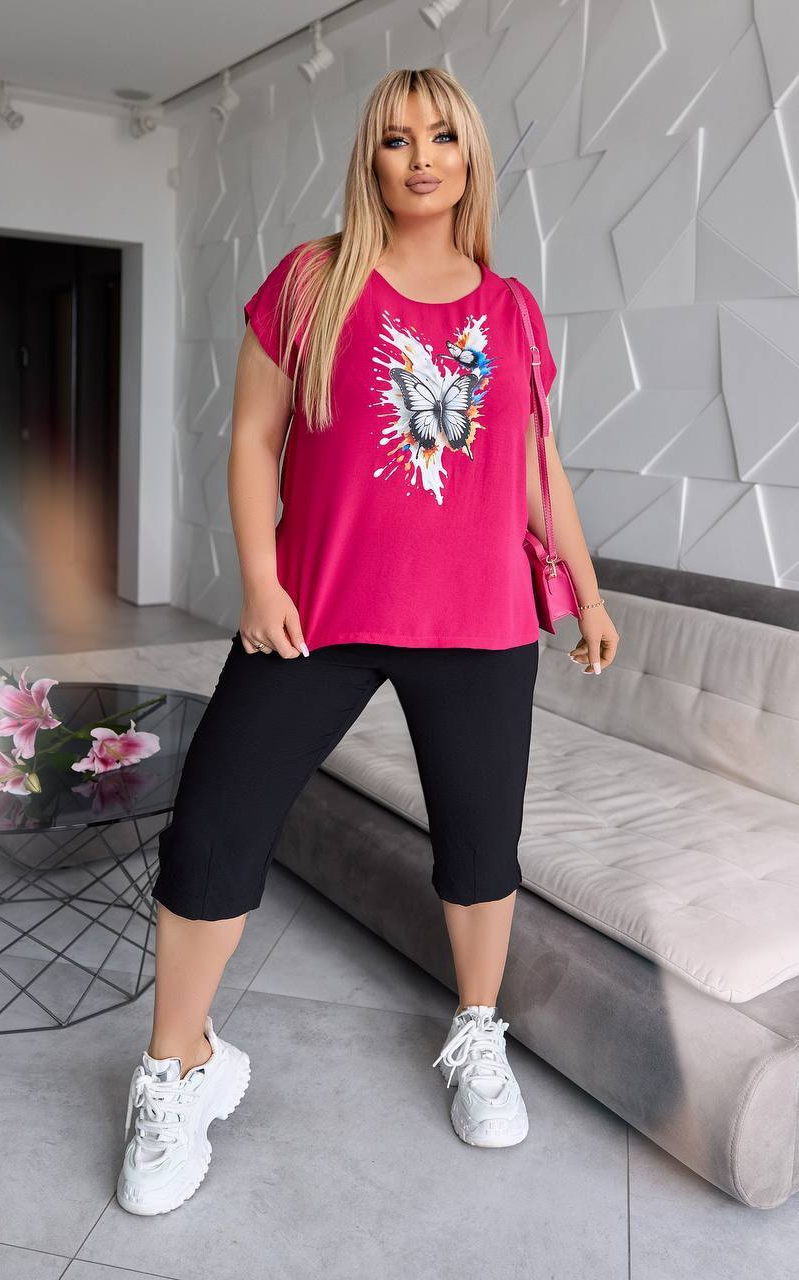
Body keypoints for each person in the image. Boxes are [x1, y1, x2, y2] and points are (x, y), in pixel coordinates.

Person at [116, 67, 620, 1216]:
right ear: (370, 160)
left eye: (441, 136)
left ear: (469, 155)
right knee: (212, 830)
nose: (421, 157)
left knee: (480, 849)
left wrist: (584, 592)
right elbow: (252, 438)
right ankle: (175, 1066)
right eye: (396, 140)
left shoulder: (510, 309)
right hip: (314, 613)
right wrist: (257, 579)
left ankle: (478, 1031)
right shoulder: (311, 279)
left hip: (481, 622)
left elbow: (535, 465)